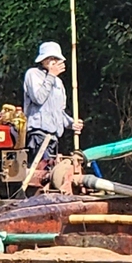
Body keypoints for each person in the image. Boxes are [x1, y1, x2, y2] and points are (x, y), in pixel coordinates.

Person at [22, 42, 83, 192]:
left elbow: (58, 111)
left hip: (54, 137)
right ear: (42, 60)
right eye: (50, 58)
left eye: (56, 58)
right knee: (40, 174)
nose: (53, 62)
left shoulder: (58, 82)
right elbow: (38, 98)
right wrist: (51, 75)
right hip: (39, 134)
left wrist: (71, 123)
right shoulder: (32, 75)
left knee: (52, 172)